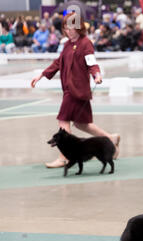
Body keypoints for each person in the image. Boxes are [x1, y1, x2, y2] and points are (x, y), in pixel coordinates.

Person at [30, 12, 120, 168]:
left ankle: (64, 156)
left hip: (77, 90)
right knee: (81, 124)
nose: (68, 30)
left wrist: (96, 76)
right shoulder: (67, 44)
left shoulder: (86, 43)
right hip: (69, 90)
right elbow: (58, 62)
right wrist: (42, 75)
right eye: (66, 27)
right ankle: (111, 139)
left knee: (63, 120)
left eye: (71, 27)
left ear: (79, 27)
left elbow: (92, 64)